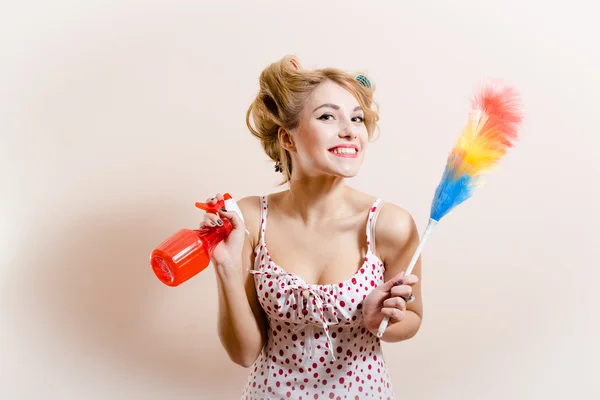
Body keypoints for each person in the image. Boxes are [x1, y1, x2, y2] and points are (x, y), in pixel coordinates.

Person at [201, 55, 423, 400]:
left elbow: (413, 319)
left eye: (357, 118)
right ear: (287, 139)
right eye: (327, 116)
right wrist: (227, 268)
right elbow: (244, 354)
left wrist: (381, 321)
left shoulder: (389, 224)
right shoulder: (250, 219)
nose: (350, 129)